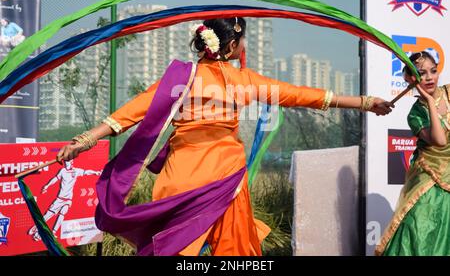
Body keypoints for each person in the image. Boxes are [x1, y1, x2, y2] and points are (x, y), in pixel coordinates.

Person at [56, 17, 393, 256]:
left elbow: (129, 114)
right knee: (235, 249)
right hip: (223, 175)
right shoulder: (243, 81)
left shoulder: (180, 79)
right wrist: (365, 103)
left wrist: (85, 139)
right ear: (231, 45)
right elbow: (303, 94)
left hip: (179, 179)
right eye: (242, 42)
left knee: (174, 247)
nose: (243, 47)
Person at [376, 51, 450, 256]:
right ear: (410, 79)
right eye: (421, 73)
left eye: (433, 71)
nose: (429, 77)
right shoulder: (416, 113)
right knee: (418, 230)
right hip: (429, 179)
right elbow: (440, 140)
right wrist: (428, 101)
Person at [27, 159, 101, 240]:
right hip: (60, 198)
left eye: (68, 162)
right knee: (48, 215)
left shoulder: (76, 171)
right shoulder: (62, 171)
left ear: (72, 162)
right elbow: (55, 179)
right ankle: (36, 228)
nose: (66, 164)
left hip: (68, 199)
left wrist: (95, 172)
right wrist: (47, 186)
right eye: (65, 162)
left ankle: (53, 232)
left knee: (63, 213)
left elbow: (86, 172)